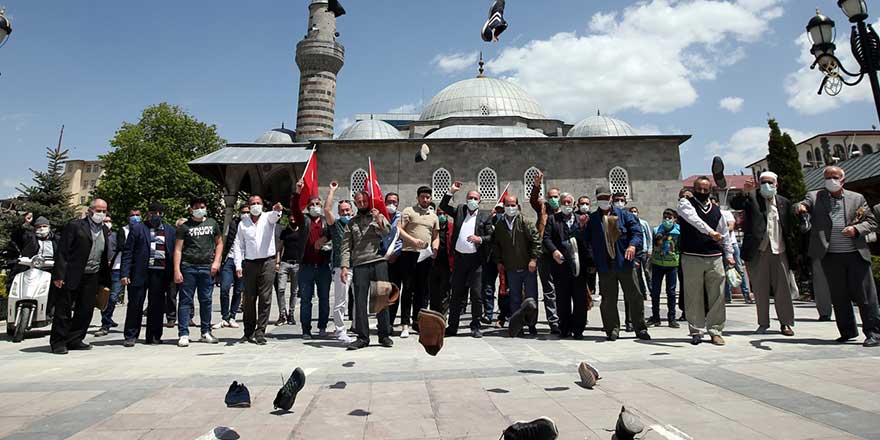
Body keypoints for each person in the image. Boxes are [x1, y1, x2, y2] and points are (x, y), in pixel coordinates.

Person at [797, 166, 879, 346]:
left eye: (834, 177)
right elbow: (803, 204)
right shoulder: (815, 196)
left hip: (855, 253)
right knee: (839, 296)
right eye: (827, 177)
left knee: (865, 296)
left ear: (843, 179)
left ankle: (874, 333)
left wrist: (856, 229)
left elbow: (871, 222)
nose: (831, 180)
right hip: (830, 255)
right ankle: (847, 331)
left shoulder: (856, 198)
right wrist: (801, 207)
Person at [731, 172, 794, 336]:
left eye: (770, 182)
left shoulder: (783, 202)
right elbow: (736, 204)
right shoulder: (752, 198)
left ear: (776, 185)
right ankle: (763, 322)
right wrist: (745, 192)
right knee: (760, 289)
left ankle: (786, 323)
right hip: (758, 251)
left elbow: (789, 227)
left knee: (783, 289)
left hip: (779, 249)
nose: (767, 185)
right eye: (763, 182)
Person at [586, 187, 650, 342]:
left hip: (624, 263)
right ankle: (612, 329)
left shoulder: (624, 215)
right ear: (597, 198)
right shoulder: (593, 219)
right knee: (608, 299)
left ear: (611, 197)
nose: (604, 200)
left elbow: (636, 233)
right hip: (605, 266)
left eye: (606, 197)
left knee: (634, 295)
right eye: (601, 197)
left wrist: (632, 246)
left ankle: (640, 328)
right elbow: (586, 239)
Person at [678, 177, 735, 346]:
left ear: (710, 191)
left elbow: (724, 234)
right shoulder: (685, 204)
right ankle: (696, 330)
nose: (702, 192)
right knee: (693, 295)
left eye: (706, 189)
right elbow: (694, 220)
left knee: (717, 295)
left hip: (714, 257)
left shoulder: (718, 211)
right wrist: (710, 232)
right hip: (691, 256)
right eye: (699, 189)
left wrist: (729, 254)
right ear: (693, 189)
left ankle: (716, 331)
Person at [50, 199, 111, 355]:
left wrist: (104, 280)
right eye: (98, 210)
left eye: (104, 211)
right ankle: (59, 342)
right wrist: (59, 275)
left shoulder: (104, 230)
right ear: (90, 210)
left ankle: (75, 339)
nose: (101, 214)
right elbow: (63, 252)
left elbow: (103, 256)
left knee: (85, 309)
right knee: (64, 310)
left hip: (92, 275)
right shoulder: (75, 226)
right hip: (72, 273)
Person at [339, 191, 394, 350]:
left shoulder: (378, 216)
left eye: (364, 201)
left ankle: (384, 335)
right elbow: (345, 247)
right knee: (360, 302)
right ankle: (363, 337)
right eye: (359, 202)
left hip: (378, 261)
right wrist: (344, 266)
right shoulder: (351, 223)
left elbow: (387, 232)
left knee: (381, 299)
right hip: (360, 264)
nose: (362, 204)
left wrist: (378, 219)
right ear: (355, 204)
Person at [119, 203, 176, 347]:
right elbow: (128, 252)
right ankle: (131, 335)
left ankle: (154, 336)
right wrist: (125, 273)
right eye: (152, 213)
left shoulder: (170, 230)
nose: (155, 215)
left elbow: (174, 253)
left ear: (162, 214)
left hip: (160, 273)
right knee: (135, 304)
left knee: (156, 306)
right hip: (140, 272)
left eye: (158, 213)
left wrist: (174, 274)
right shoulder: (138, 229)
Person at [440, 181, 491, 338]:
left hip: (476, 261)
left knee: (476, 294)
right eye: (470, 197)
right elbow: (444, 205)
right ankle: (452, 326)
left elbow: (491, 237)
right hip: (460, 260)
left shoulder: (484, 216)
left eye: (475, 198)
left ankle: (475, 326)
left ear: (479, 201)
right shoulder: (460, 211)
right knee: (456, 294)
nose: (472, 200)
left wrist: (479, 239)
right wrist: (451, 191)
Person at [234, 195, 284, 345]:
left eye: (258, 203)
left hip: (267, 262)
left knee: (265, 297)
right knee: (249, 298)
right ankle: (248, 331)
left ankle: (260, 331)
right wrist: (238, 265)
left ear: (262, 205)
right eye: (253, 203)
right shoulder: (243, 223)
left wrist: (277, 210)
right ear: (248, 206)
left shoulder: (268, 217)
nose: (255, 205)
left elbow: (275, 216)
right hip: (250, 263)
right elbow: (238, 245)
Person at [174, 197, 223, 347]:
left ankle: (206, 332)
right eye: (197, 207)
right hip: (188, 267)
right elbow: (178, 249)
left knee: (206, 300)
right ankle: (183, 333)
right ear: (191, 210)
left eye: (202, 206)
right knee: (185, 301)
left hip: (206, 267)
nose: (200, 209)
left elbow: (219, 243)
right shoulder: (185, 227)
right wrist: (176, 270)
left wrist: (216, 262)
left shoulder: (212, 223)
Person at [493, 195, 541, 337]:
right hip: (511, 268)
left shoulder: (525, 222)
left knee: (531, 298)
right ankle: (517, 326)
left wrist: (533, 259)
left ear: (518, 206)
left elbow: (536, 241)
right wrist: (499, 261)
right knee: (514, 298)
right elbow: (497, 245)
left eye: (513, 205)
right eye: (508, 205)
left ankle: (532, 324)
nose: (510, 208)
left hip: (528, 267)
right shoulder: (500, 225)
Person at [543, 193, 589, 339]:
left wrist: (582, 227)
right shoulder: (552, 219)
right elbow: (546, 238)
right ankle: (564, 328)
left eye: (569, 202)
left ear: (574, 204)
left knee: (580, 298)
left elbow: (587, 240)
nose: (566, 204)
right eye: (564, 202)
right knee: (562, 298)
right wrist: (554, 251)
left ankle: (578, 329)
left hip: (578, 265)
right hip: (560, 265)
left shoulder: (580, 219)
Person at [291, 180, 333, 339]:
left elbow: (332, 233)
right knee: (306, 299)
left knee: (324, 298)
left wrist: (324, 240)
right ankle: (306, 330)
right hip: (306, 266)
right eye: (313, 204)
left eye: (318, 203)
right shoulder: (304, 220)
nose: (315, 206)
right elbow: (294, 209)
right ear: (308, 206)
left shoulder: (325, 221)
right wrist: (297, 192)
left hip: (323, 266)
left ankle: (322, 327)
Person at [396, 186, 440, 338]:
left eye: (428, 197)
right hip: (409, 254)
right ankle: (405, 324)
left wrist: (435, 249)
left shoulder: (433, 216)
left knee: (422, 290)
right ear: (418, 198)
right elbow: (399, 230)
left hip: (425, 256)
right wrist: (413, 241)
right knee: (408, 289)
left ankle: (418, 322)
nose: (425, 199)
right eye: (423, 197)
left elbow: (435, 236)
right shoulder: (408, 211)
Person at [529, 171, 561, 334]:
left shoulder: (564, 212)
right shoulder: (543, 208)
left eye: (556, 196)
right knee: (549, 289)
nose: (554, 199)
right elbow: (533, 200)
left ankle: (564, 318)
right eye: (551, 196)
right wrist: (536, 185)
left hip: (560, 254)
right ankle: (554, 321)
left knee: (562, 287)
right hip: (545, 253)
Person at [324, 181, 354, 343]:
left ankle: (357, 326)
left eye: (347, 210)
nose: (345, 213)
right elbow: (327, 209)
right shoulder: (335, 226)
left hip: (358, 266)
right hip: (340, 267)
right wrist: (331, 191)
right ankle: (340, 330)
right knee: (341, 300)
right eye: (342, 211)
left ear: (352, 211)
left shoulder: (356, 224)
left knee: (359, 299)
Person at [215, 205, 248, 330]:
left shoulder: (254, 226)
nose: (245, 214)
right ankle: (224, 317)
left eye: (247, 212)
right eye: (243, 212)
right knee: (224, 288)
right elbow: (225, 239)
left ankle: (232, 316)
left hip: (245, 260)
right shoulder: (233, 224)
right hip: (230, 259)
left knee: (238, 290)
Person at [647, 209, 681, 328]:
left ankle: (671, 318)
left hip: (672, 264)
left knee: (671, 292)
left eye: (670, 217)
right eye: (665, 217)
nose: (667, 220)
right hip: (658, 264)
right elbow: (654, 244)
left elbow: (680, 247)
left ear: (675, 219)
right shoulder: (657, 230)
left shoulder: (679, 231)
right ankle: (655, 317)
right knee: (655, 291)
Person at [719, 201, 751, 304]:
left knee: (739, 268)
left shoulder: (726, 213)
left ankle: (746, 294)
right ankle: (727, 296)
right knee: (724, 271)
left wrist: (721, 233)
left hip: (731, 244)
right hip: (719, 245)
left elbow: (731, 226)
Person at [96, 215, 122, 336]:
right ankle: (106, 322)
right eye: (104, 221)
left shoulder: (116, 236)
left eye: (108, 221)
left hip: (116, 270)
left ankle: (106, 321)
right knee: (104, 296)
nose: (107, 223)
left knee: (113, 297)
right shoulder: (97, 236)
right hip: (102, 271)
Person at [482, 204, 506, 327]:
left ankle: (503, 314)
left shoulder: (507, 223)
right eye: (497, 210)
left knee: (504, 288)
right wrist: (489, 216)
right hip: (489, 259)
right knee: (487, 287)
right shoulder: (488, 222)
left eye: (502, 210)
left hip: (504, 260)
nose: (499, 213)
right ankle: (488, 313)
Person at [275, 212, 301, 327]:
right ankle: (282, 314)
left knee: (294, 291)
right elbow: (279, 248)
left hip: (297, 264)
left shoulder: (302, 231)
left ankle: (291, 313)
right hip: (285, 263)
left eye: (294, 217)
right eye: (291, 217)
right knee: (281, 289)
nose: (292, 219)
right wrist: (277, 262)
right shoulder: (285, 231)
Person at [429, 204, 454, 315]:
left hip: (447, 265)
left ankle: (443, 315)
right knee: (433, 291)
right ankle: (434, 314)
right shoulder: (432, 227)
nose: (442, 216)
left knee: (445, 291)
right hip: (433, 264)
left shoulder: (452, 227)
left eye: (444, 214)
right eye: (439, 214)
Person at [628, 205, 653, 302]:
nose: (633, 213)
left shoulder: (643, 223)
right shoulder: (629, 224)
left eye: (635, 211)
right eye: (631, 211)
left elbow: (649, 236)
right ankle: (643, 293)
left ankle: (652, 292)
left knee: (648, 273)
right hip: (635, 254)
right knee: (638, 275)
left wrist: (650, 249)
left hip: (644, 252)